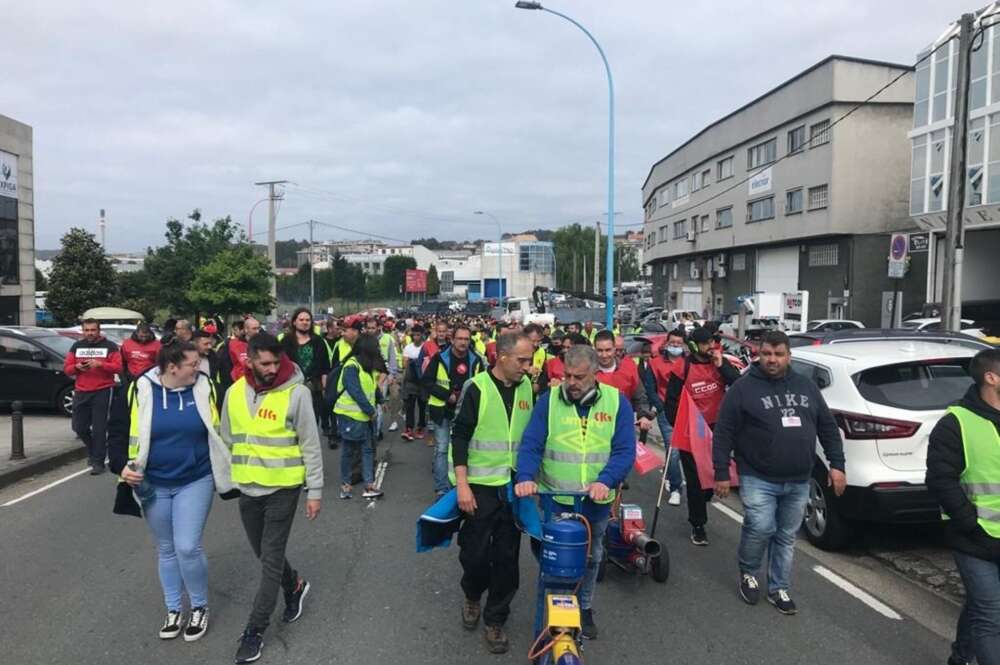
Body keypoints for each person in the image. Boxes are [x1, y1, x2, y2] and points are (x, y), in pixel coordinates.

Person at [713, 331, 845, 614]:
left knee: (786, 536)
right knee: (761, 527)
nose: (772, 360)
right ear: (759, 354)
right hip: (757, 476)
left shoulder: (806, 386)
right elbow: (723, 432)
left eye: (778, 354)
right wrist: (721, 472)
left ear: (789, 356)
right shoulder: (742, 389)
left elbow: (827, 428)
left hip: (799, 479)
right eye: (767, 354)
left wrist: (837, 465)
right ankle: (749, 571)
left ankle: (778, 588)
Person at [115, 340, 234, 643]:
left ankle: (198, 606)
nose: (199, 368)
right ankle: (172, 609)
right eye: (193, 364)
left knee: (186, 546)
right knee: (166, 548)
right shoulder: (140, 389)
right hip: (151, 482)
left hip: (196, 478)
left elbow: (225, 426)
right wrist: (121, 467)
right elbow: (117, 430)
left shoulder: (205, 387)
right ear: (172, 367)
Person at [515, 345, 636, 640]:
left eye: (579, 377)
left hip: (594, 501)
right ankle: (557, 609)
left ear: (595, 375)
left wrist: (605, 480)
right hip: (555, 498)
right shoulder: (549, 402)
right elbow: (532, 443)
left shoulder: (617, 403)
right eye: (567, 375)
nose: (571, 382)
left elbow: (624, 451)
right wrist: (526, 477)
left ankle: (584, 606)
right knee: (556, 558)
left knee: (593, 557)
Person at [221, 333, 324, 665]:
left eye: (275, 362)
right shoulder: (234, 392)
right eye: (264, 363)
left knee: (269, 559)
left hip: (283, 488)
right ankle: (293, 585)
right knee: (263, 553)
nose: (271, 368)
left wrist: (315, 491)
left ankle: (254, 630)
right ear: (248, 360)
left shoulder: (297, 393)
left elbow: (311, 444)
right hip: (248, 488)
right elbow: (226, 437)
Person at [450, 332, 535, 654]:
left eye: (530, 360)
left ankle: (496, 618)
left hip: (513, 488)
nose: (528, 367)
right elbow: (459, 437)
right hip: (479, 487)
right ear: (501, 356)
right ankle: (472, 594)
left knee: (507, 558)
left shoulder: (527, 387)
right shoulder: (478, 388)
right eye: (522, 360)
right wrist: (462, 485)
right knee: (474, 555)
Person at [927, 348, 1000, 665]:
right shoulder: (956, 423)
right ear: (991, 377)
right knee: (991, 615)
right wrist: (970, 523)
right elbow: (941, 480)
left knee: (981, 605)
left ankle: (960, 658)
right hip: (975, 538)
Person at [664, 325, 741, 545]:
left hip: (718, 429)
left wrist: (722, 364)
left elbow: (738, 385)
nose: (710, 347)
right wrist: (678, 426)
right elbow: (671, 400)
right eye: (706, 343)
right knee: (696, 481)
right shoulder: (683, 367)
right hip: (693, 431)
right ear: (694, 345)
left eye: (712, 343)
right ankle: (698, 525)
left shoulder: (719, 363)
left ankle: (704, 495)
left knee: (712, 478)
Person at [424, 325, 485, 496]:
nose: (463, 342)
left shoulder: (477, 360)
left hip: (467, 413)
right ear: (452, 339)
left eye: (466, 339)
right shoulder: (439, 358)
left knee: (465, 448)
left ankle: (464, 485)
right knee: (443, 448)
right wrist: (447, 395)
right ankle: (442, 488)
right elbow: (427, 382)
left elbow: (483, 385)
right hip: (442, 410)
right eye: (460, 339)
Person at [65, 318, 123, 475]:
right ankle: (93, 451)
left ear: (99, 330)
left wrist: (101, 364)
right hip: (81, 390)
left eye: (93, 330)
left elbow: (119, 368)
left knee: (99, 429)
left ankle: (98, 462)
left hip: (103, 390)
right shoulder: (77, 346)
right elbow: (68, 369)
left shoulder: (110, 346)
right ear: (83, 331)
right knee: (79, 427)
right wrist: (76, 367)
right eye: (87, 330)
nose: (90, 333)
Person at [333, 334, 384, 500]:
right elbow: (356, 392)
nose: (377, 350)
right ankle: (346, 485)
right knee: (349, 450)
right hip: (350, 416)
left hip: (364, 417)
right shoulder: (351, 366)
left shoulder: (365, 367)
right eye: (375, 347)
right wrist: (371, 410)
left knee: (367, 450)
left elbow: (371, 387)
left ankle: (369, 485)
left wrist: (380, 400)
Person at [649, 329, 687, 506]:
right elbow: (650, 388)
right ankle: (676, 488)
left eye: (679, 343)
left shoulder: (688, 363)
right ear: (667, 343)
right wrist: (660, 406)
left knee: (683, 451)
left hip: (686, 411)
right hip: (666, 411)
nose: (676, 346)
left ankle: (669, 473)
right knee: (673, 450)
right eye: (673, 342)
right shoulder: (655, 363)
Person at [282, 308, 332, 432]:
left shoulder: (318, 341)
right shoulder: (286, 341)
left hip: (313, 388)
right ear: (294, 322)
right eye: (301, 320)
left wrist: (325, 387)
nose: (305, 322)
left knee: (311, 423)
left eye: (308, 320)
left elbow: (325, 367)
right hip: (291, 388)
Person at [592, 330, 654, 432]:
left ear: (614, 349)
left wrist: (644, 416)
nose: (604, 355)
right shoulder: (586, 371)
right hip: (595, 427)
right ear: (594, 350)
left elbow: (640, 396)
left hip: (623, 425)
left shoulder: (629, 368)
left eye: (608, 350)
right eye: (600, 350)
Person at [401, 325, 428, 441]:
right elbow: (404, 364)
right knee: (410, 406)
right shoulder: (408, 348)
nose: (416, 337)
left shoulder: (426, 347)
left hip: (423, 382)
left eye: (418, 335)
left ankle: (421, 427)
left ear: (422, 335)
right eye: (414, 335)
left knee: (422, 405)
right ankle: (409, 428)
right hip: (410, 381)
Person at [523, 323, 551, 396]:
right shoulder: (516, 351)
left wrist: (538, 384)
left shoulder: (541, 352)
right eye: (533, 341)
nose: (535, 344)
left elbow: (543, 371)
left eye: (538, 341)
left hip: (533, 392)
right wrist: (526, 370)